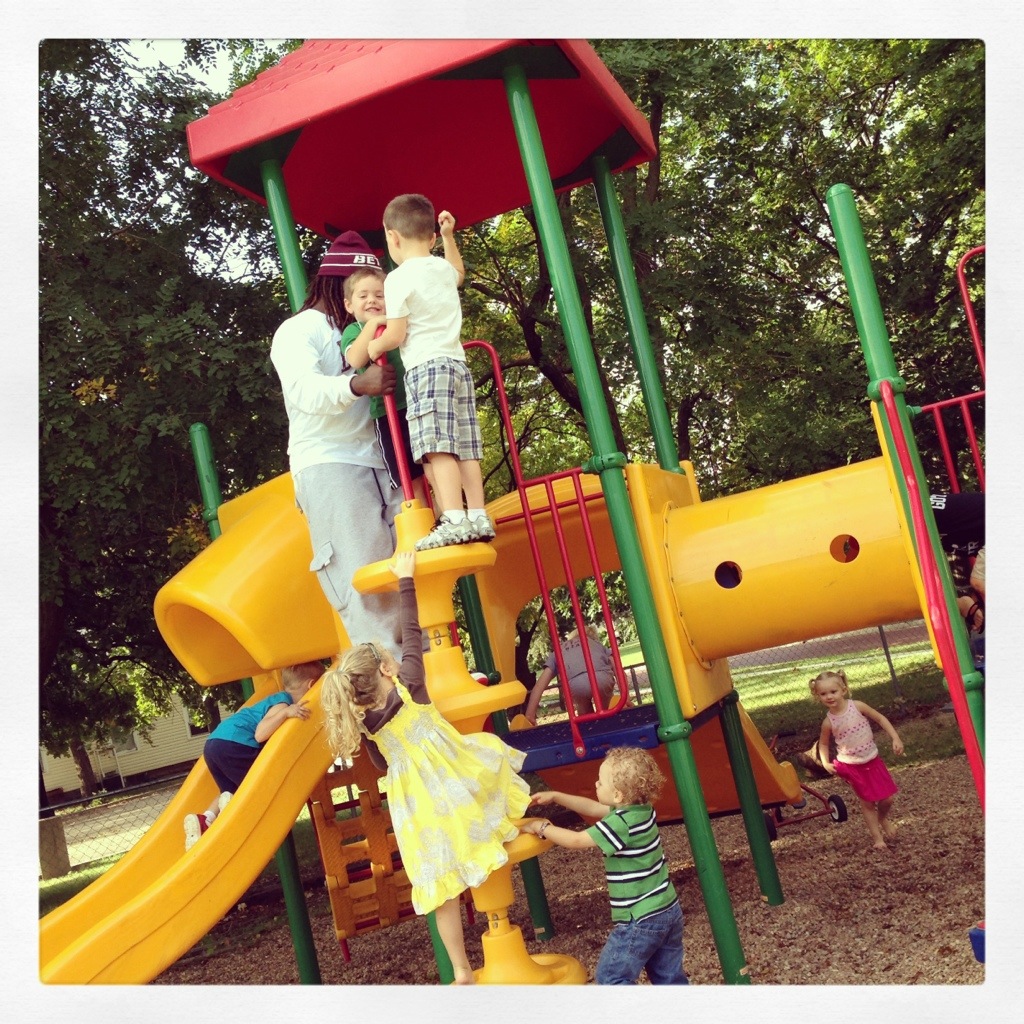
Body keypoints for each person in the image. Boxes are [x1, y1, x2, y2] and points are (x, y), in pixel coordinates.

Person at [319, 550, 530, 984]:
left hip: (416, 809)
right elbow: (413, 631)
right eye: (390, 658)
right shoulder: (411, 684)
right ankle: (515, 832)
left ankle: (461, 969)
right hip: (452, 783)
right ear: (386, 668)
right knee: (490, 761)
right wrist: (406, 579)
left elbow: (381, 764)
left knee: (441, 889)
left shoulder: (366, 725)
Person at [269, 231, 404, 656]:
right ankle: (390, 686)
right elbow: (303, 392)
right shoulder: (299, 329)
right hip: (330, 461)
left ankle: (425, 674)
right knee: (364, 579)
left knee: (407, 572)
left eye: (378, 290)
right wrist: (356, 385)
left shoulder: (371, 330)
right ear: (339, 287)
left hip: (384, 456)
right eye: (361, 289)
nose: (372, 298)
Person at [366, 193, 495, 551]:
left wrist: (376, 346)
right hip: (457, 365)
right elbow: (459, 274)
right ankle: (478, 514)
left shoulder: (397, 279)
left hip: (426, 369)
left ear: (392, 237)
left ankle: (453, 518)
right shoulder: (440, 268)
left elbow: (397, 334)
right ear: (433, 237)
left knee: (437, 447)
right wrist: (451, 237)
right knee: (465, 446)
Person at [519, 746, 688, 985]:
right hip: (667, 909)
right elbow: (591, 807)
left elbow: (576, 840)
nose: (596, 784)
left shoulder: (620, 824)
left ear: (618, 795)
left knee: (611, 978)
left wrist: (541, 827)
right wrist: (556, 796)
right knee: (669, 978)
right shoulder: (640, 810)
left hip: (640, 917)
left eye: (600, 782)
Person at [184, 661, 322, 850]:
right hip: (236, 744)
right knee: (260, 789)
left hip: (214, 744)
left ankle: (205, 819)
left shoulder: (273, 700)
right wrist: (286, 713)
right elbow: (260, 733)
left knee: (229, 790)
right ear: (312, 685)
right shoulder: (283, 702)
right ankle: (232, 813)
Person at [336, 250, 429, 506]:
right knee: (410, 476)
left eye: (379, 295)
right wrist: (373, 324)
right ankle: (424, 519)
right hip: (388, 413)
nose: (372, 300)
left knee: (434, 461)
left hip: (418, 402)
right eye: (363, 296)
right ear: (349, 305)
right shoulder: (354, 330)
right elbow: (356, 359)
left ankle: (447, 515)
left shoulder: (399, 323)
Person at [809, 668, 905, 851]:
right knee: (867, 803)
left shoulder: (857, 706)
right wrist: (825, 762)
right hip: (851, 766)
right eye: (823, 694)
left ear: (843, 690)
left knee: (887, 799)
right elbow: (823, 743)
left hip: (872, 760)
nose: (829, 696)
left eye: (833, 691)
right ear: (818, 696)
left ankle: (882, 818)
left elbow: (880, 718)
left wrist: (895, 738)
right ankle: (878, 839)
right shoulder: (828, 722)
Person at [523, 624, 617, 724]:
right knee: (606, 707)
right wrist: (626, 696)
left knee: (584, 712)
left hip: (576, 684)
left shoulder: (558, 651)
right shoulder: (596, 644)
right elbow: (616, 666)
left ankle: (588, 725)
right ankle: (608, 719)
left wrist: (530, 714)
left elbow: (539, 686)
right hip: (601, 677)